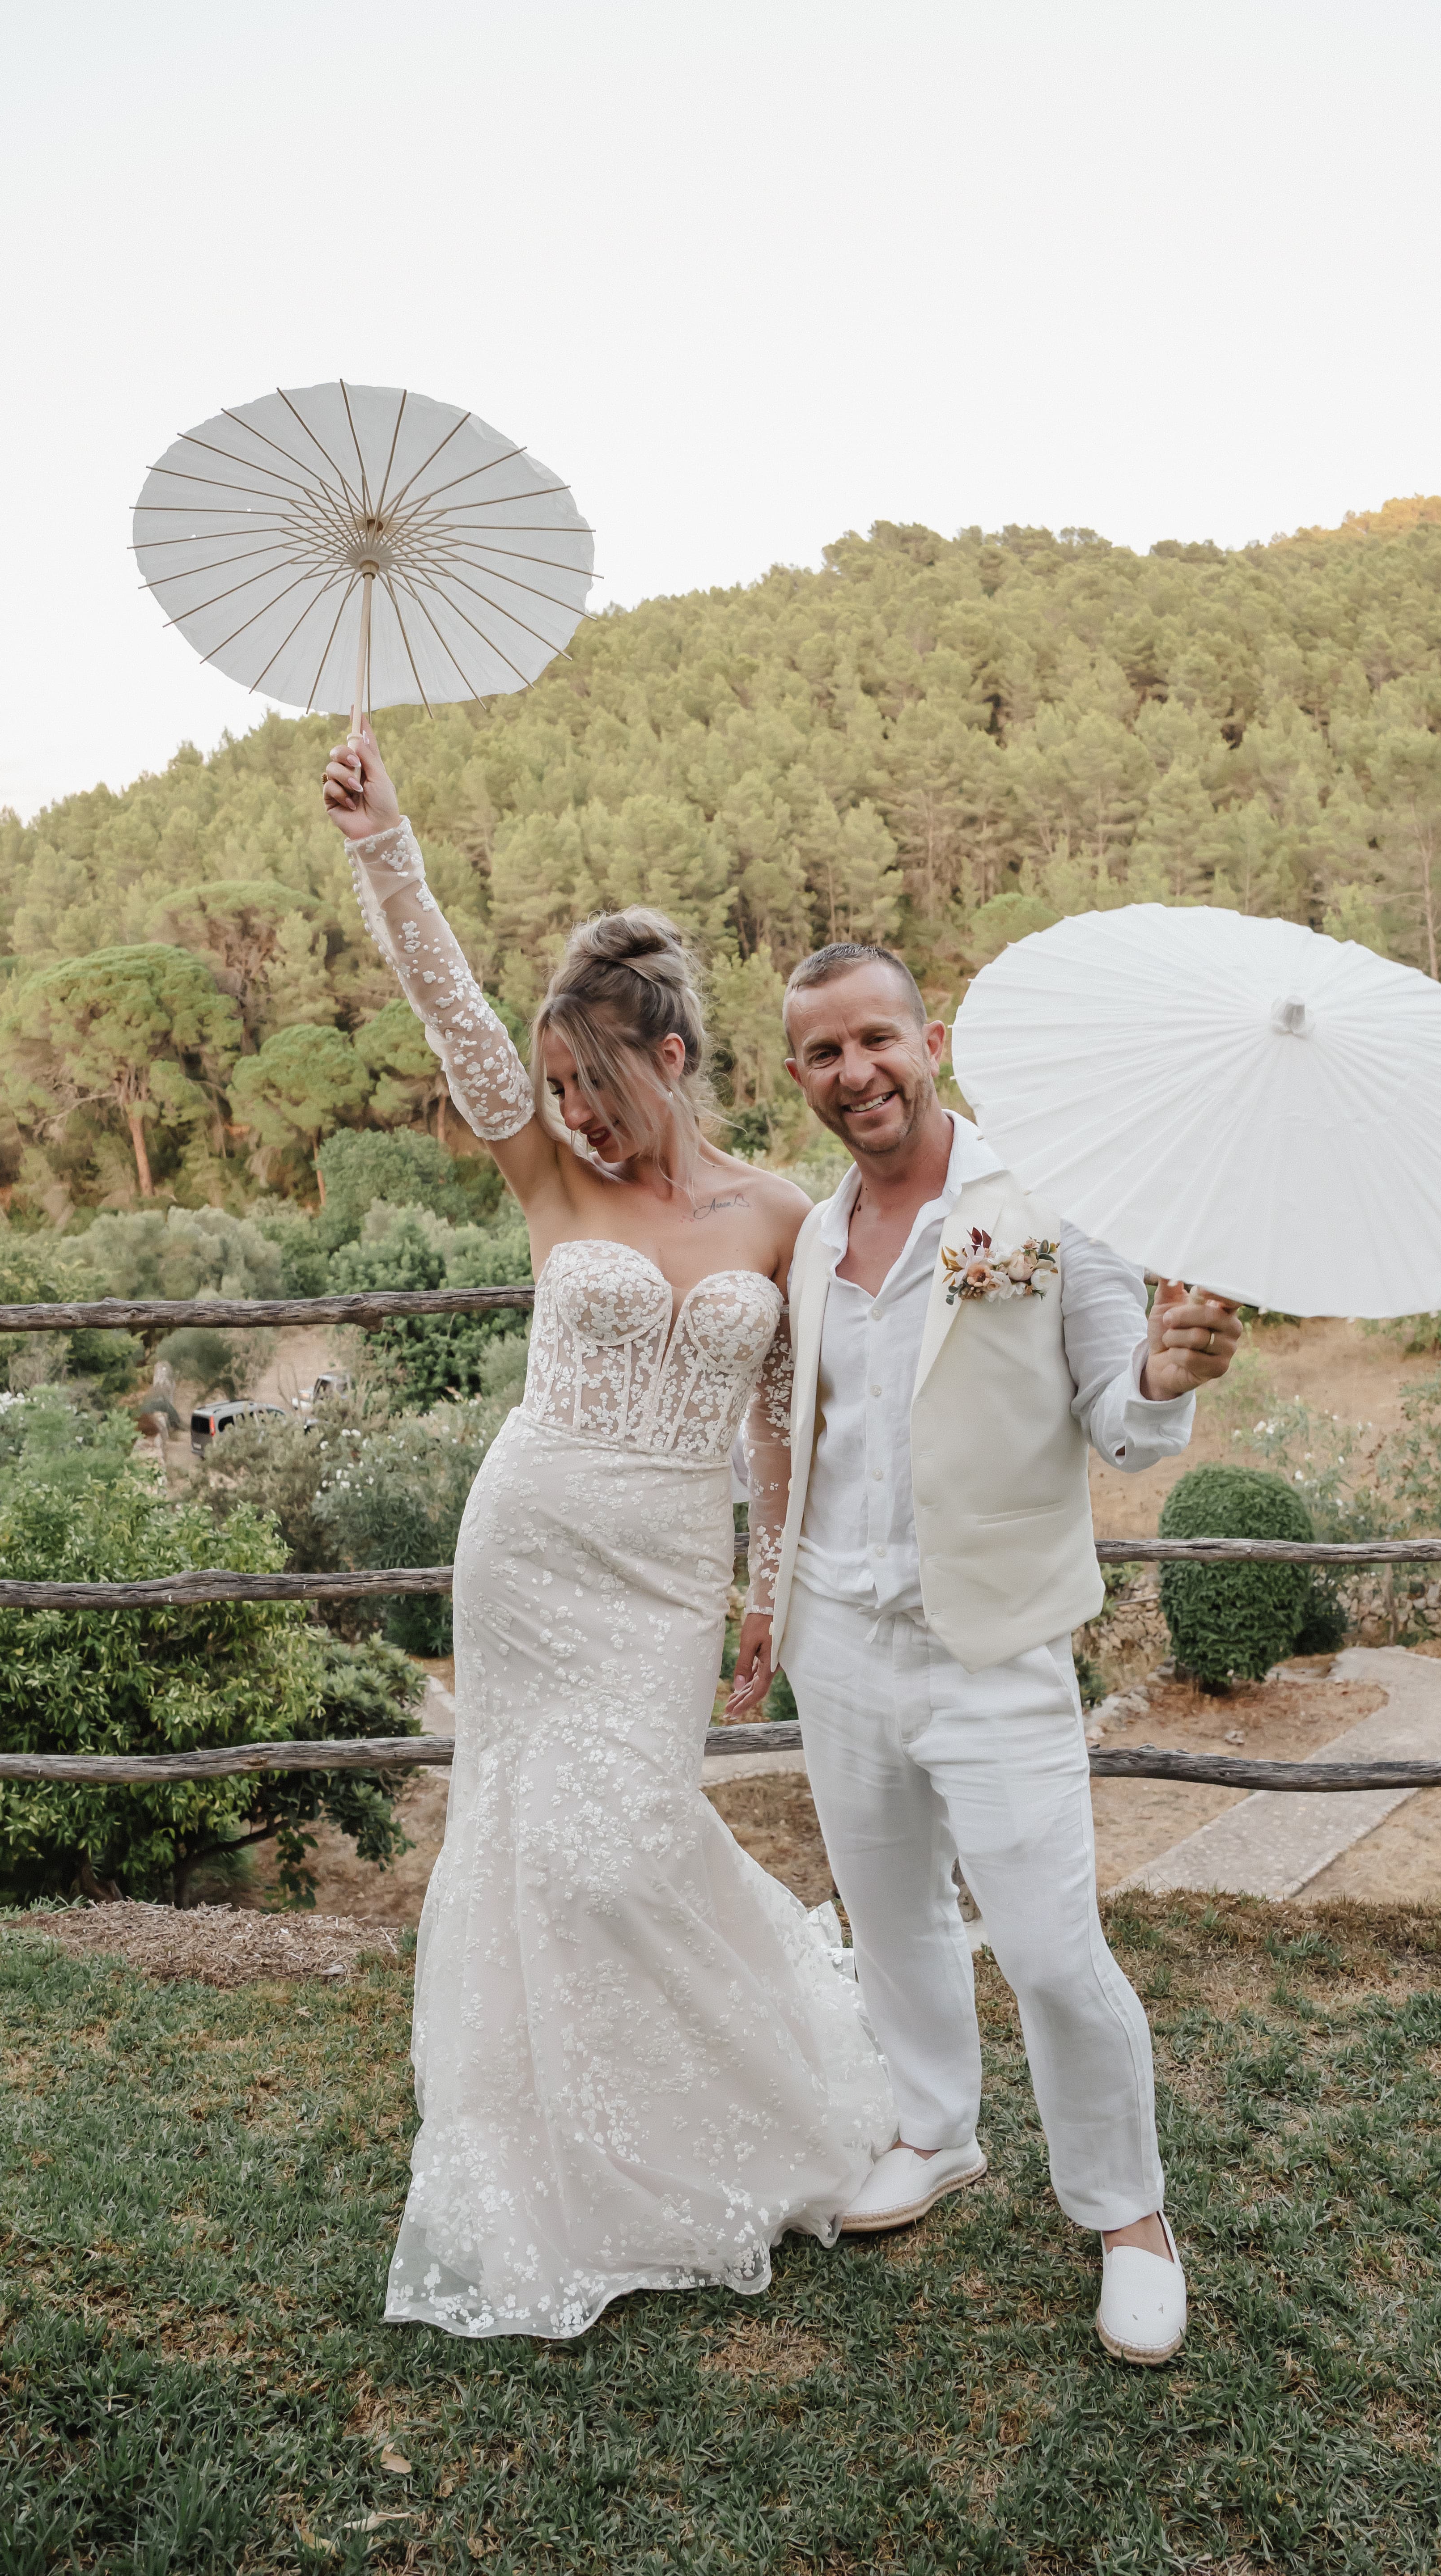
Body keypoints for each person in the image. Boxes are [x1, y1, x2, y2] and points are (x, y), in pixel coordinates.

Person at [320, 728, 893, 2342]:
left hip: (661, 1576)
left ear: (681, 1058)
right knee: (529, 1844)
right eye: (557, 1084)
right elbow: (449, 1010)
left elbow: (781, 1419)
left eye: (600, 1081)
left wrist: (762, 1593)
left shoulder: (783, 1211)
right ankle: (560, 2162)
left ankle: (737, 2112)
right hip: (530, 1543)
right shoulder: (549, 1184)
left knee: (629, 1839)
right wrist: (390, 850)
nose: (573, 1110)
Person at [726, 942, 1241, 2365]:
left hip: (999, 1643)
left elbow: (1118, 1416)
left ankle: (1129, 2215)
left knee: (1053, 1950)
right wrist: (773, 1600)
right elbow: (802, 1437)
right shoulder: (814, 1239)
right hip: (842, 1636)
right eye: (824, 1054)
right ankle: (937, 2132)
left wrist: (1168, 1372)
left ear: (930, 1038)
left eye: (877, 1040)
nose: (857, 1074)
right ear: (798, 1076)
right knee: (888, 1920)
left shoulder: (1052, 1202)